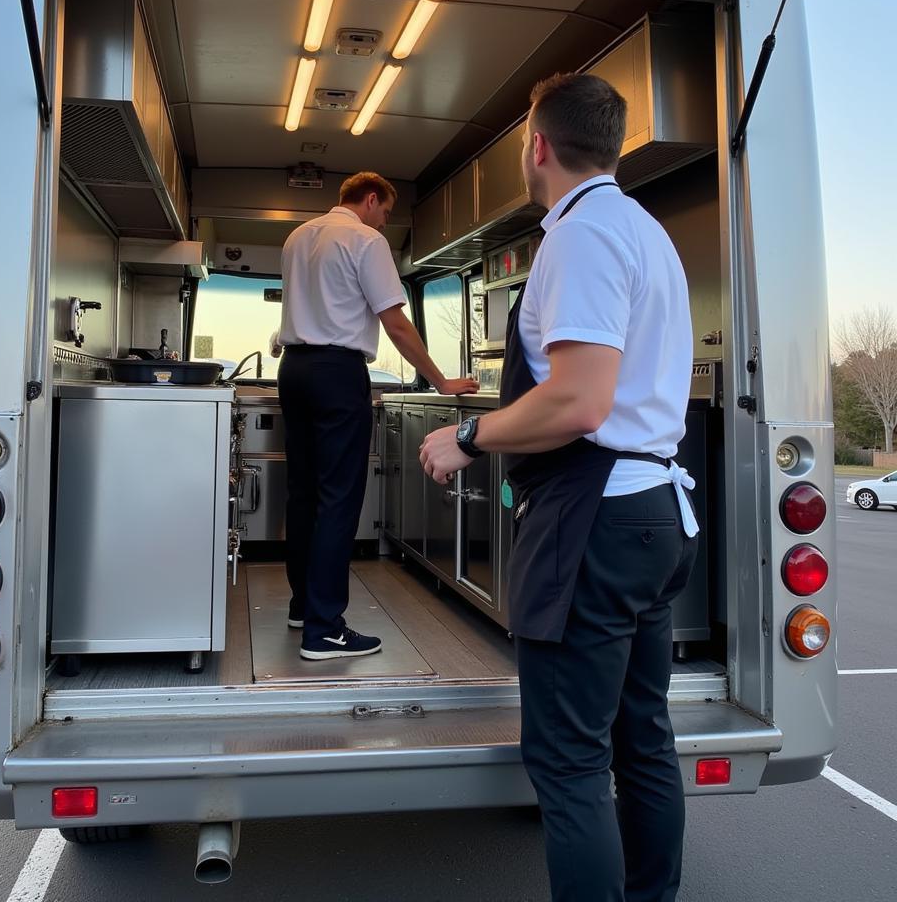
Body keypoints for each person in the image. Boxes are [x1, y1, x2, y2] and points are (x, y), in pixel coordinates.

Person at [418, 74, 699, 901]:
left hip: (594, 523)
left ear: (538, 145)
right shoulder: (644, 230)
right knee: (643, 740)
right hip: (653, 516)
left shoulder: (579, 238)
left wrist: (467, 436)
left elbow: (579, 400)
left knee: (570, 763)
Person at [278, 172, 478, 661]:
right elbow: (395, 323)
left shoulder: (296, 238)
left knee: (303, 493)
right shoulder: (365, 240)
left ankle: (305, 606)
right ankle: (324, 629)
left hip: (294, 369)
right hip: (337, 372)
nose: (385, 222)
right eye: (386, 212)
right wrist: (440, 380)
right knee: (338, 498)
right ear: (371, 200)